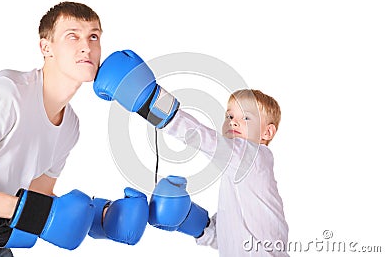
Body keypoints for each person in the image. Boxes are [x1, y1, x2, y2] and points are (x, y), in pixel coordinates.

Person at [0, 2, 148, 257]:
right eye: (72, 35)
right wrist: (31, 213)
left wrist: (100, 218)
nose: (87, 46)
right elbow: (32, 209)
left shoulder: (70, 125)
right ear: (45, 47)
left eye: (94, 36)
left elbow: (38, 195)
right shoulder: (7, 94)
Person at [92, 50, 289, 256]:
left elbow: (204, 139)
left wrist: (151, 102)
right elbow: (227, 238)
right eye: (230, 115)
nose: (233, 121)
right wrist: (191, 221)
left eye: (246, 118)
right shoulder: (239, 174)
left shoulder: (255, 158)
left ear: (267, 132)